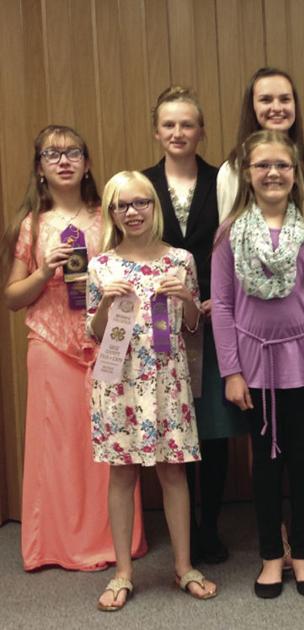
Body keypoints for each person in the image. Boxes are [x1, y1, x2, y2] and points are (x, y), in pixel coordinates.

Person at [3, 125, 146, 573]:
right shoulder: (30, 224)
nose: (63, 161)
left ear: (86, 164)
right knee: (58, 447)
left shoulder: (109, 218)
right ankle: (55, 544)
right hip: (49, 344)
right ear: (40, 169)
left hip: (105, 342)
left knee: (106, 445)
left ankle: (113, 539)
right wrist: (45, 270)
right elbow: (12, 297)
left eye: (73, 153)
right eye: (52, 154)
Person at [212, 130, 304, 598]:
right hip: (253, 367)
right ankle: (272, 555)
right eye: (262, 165)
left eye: (282, 165)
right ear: (248, 173)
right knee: (266, 467)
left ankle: (303, 553)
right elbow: (223, 306)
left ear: (295, 173)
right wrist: (231, 371)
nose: (273, 173)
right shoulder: (229, 233)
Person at [88, 171, 216, 610]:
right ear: (112, 212)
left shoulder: (180, 260)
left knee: (174, 471)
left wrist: (186, 301)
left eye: (140, 202)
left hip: (167, 381)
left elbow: (193, 328)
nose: (132, 212)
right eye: (122, 205)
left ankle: (184, 567)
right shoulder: (100, 265)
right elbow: (95, 333)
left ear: (153, 206)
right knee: (121, 474)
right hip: (120, 385)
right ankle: (123, 572)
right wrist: (105, 303)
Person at [142, 85, 247, 564]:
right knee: (172, 421)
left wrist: (214, 299)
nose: (178, 132)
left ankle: (209, 525)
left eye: (187, 124)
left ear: (201, 131)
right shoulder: (140, 187)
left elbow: (231, 244)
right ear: (157, 131)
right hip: (156, 323)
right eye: (169, 124)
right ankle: (178, 527)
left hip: (210, 316)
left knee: (213, 425)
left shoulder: (221, 180)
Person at [217, 67, 304, 220]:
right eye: (266, 100)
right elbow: (227, 235)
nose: (277, 108)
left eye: (285, 99)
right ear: (252, 107)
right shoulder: (232, 171)